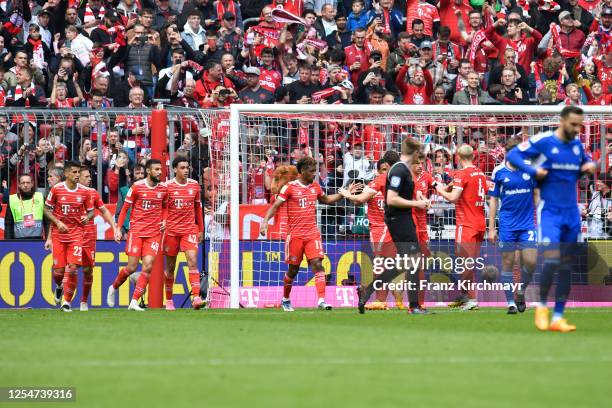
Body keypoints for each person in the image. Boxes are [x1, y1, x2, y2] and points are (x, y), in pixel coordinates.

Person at [507, 106, 596, 332]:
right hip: (550, 213)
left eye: (580, 125)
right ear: (562, 121)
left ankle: (558, 317)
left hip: (572, 213)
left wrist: (589, 166)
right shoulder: (545, 141)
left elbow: (585, 163)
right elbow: (513, 155)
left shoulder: (576, 147)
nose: (577, 129)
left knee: (566, 267)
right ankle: (542, 307)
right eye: (573, 124)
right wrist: (533, 170)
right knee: (552, 260)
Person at [259, 156, 346, 311]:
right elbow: (276, 205)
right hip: (295, 236)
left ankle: (321, 301)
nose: (314, 174)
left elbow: (326, 199)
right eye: (312, 171)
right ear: (303, 171)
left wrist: (343, 194)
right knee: (293, 270)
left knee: (318, 264)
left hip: (312, 234)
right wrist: (265, 221)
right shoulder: (289, 187)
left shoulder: (316, 187)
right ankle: (285, 299)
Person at [356, 138, 431, 314]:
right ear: (412, 153)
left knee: (407, 263)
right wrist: (416, 204)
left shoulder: (403, 169)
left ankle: (368, 291)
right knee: (412, 261)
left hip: (403, 220)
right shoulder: (398, 170)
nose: (420, 160)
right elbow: (391, 199)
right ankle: (413, 306)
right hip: (399, 220)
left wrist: (419, 199)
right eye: (418, 155)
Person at [339, 151, 403, 310]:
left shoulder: (394, 185)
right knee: (386, 265)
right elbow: (359, 204)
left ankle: (381, 299)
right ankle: (392, 294)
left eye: (385, 169)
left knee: (381, 265)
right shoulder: (374, 185)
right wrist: (353, 194)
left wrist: (347, 194)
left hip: (387, 230)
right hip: (379, 230)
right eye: (381, 170)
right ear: (378, 171)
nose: (384, 173)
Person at [107, 159, 168, 311]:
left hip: (154, 233)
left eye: (160, 169)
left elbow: (166, 206)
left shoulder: (163, 189)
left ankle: (134, 301)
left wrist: (165, 220)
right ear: (148, 171)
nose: (160, 172)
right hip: (137, 232)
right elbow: (125, 208)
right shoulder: (137, 187)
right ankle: (113, 287)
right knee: (132, 267)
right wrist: (118, 228)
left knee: (147, 267)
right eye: (156, 169)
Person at [488, 138, 538, 315]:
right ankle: (510, 302)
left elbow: (537, 193)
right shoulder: (499, 171)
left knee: (531, 262)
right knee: (508, 263)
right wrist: (492, 227)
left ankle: (520, 292)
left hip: (527, 224)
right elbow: (493, 199)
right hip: (508, 224)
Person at [435, 144, 487, 311]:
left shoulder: (462, 174)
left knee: (465, 263)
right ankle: (466, 296)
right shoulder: (480, 173)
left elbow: (452, 198)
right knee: (469, 262)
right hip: (480, 223)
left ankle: (471, 298)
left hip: (466, 224)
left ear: (458, 157)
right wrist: (450, 186)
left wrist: (438, 188)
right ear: (473, 157)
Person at [44, 161, 94, 312]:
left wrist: (88, 217)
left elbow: (91, 211)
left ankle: (67, 302)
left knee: (72, 268)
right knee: (58, 272)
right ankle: (59, 286)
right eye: (74, 172)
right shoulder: (56, 189)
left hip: (77, 234)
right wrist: (58, 222)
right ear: (66, 174)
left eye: (79, 172)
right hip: (59, 234)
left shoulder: (84, 192)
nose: (77, 175)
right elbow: (46, 210)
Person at [163, 157, 205, 310]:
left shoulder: (194, 186)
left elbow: (198, 209)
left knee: (192, 261)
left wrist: (201, 229)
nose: (186, 170)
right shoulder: (166, 187)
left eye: (187, 167)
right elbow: (162, 209)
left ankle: (196, 297)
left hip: (189, 229)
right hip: (171, 231)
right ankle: (169, 300)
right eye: (182, 168)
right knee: (170, 267)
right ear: (174, 169)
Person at [78, 166, 119, 311]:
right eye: (86, 176)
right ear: (77, 177)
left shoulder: (93, 193)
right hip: (72, 235)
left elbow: (104, 210)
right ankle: (66, 301)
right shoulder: (66, 191)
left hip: (88, 237)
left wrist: (114, 227)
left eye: (90, 176)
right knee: (70, 267)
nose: (90, 179)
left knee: (88, 270)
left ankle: (83, 301)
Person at [4, 174, 45, 240]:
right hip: (18, 240)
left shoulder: (40, 197)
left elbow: (47, 221)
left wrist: (49, 239)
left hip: (37, 240)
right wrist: (8, 242)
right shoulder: (12, 199)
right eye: (23, 183)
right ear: (19, 185)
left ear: (32, 184)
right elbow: (8, 223)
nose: (25, 185)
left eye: (28, 182)